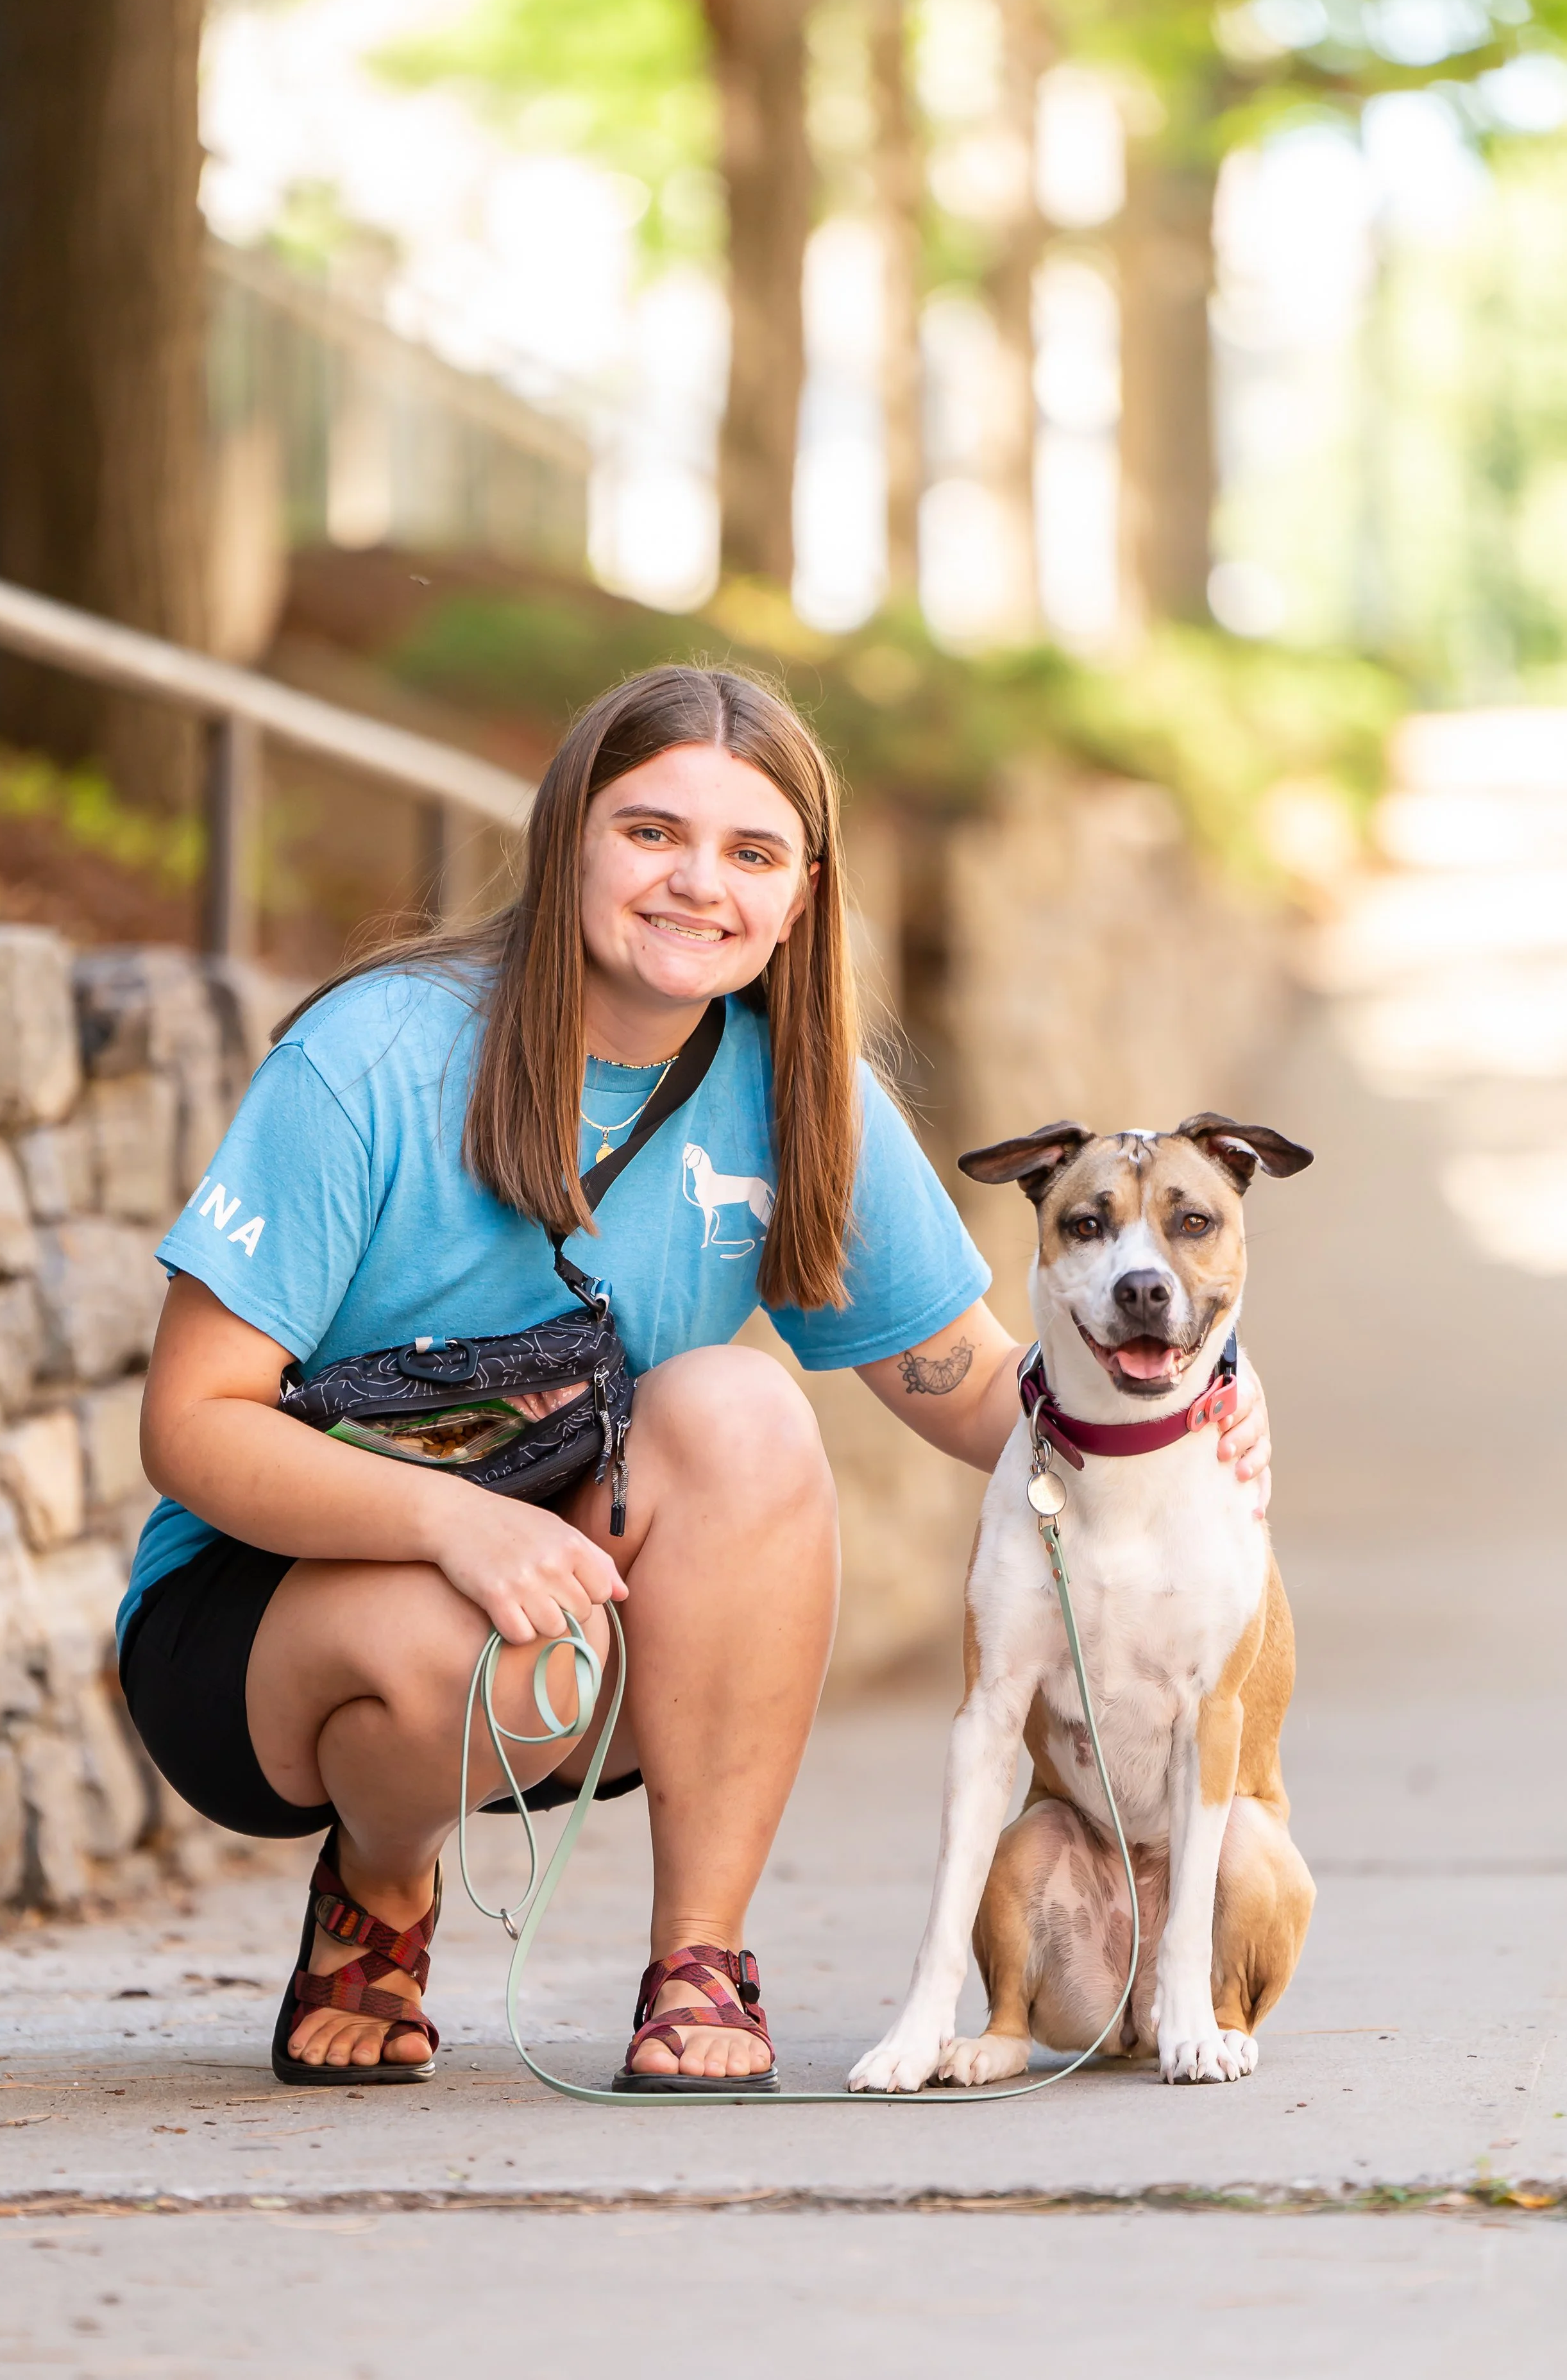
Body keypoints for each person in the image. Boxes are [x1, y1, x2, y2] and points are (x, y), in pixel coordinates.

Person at [120, 664, 1271, 2093]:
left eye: (750, 852)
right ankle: (382, 1880)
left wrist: (1180, 1418)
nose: (697, 885)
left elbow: (976, 1385)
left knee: (743, 1411)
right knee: (510, 1658)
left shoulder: (800, 1091)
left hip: (575, 1596)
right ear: (567, 843)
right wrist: (454, 1524)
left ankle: (700, 1959)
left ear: (800, 894)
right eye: (650, 832)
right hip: (267, 1615)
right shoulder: (376, 1056)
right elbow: (191, 1423)